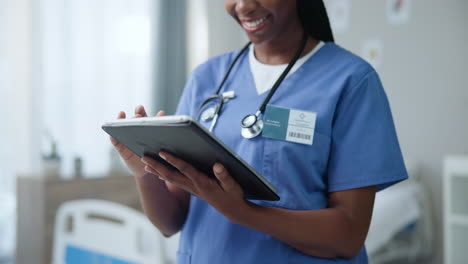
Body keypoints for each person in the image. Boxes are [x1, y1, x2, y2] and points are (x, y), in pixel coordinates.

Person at [110, 0, 408, 263]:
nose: (243, 6)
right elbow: (170, 222)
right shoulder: (207, 78)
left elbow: (348, 236)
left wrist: (242, 212)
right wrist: (145, 172)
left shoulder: (351, 81)